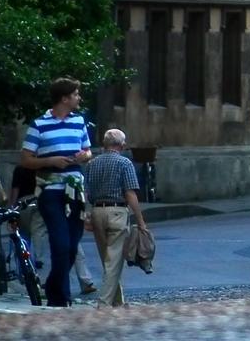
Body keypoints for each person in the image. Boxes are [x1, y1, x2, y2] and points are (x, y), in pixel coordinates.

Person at [19, 78, 95, 307]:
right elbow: (25, 160)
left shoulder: (79, 122)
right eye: (76, 94)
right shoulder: (39, 124)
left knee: (72, 245)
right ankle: (59, 296)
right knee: (60, 243)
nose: (78, 98)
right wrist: (50, 160)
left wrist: (84, 156)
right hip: (50, 190)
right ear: (64, 98)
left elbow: (88, 151)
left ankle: (54, 288)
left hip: (75, 190)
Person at [10, 162, 97, 298]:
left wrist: (12, 207)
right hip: (47, 200)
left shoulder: (21, 167)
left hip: (28, 203)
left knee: (35, 240)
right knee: (69, 239)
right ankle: (85, 280)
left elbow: (15, 189)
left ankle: (40, 279)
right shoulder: (48, 165)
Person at [84, 128, 149, 307]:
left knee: (108, 258)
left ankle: (118, 302)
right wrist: (140, 220)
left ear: (105, 144)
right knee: (113, 261)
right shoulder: (125, 163)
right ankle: (104, 304)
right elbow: (130, 194)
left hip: (97, 211)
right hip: (117, 212)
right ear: (122, 145)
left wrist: (87, 214)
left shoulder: (92, 164)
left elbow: (87, 192)